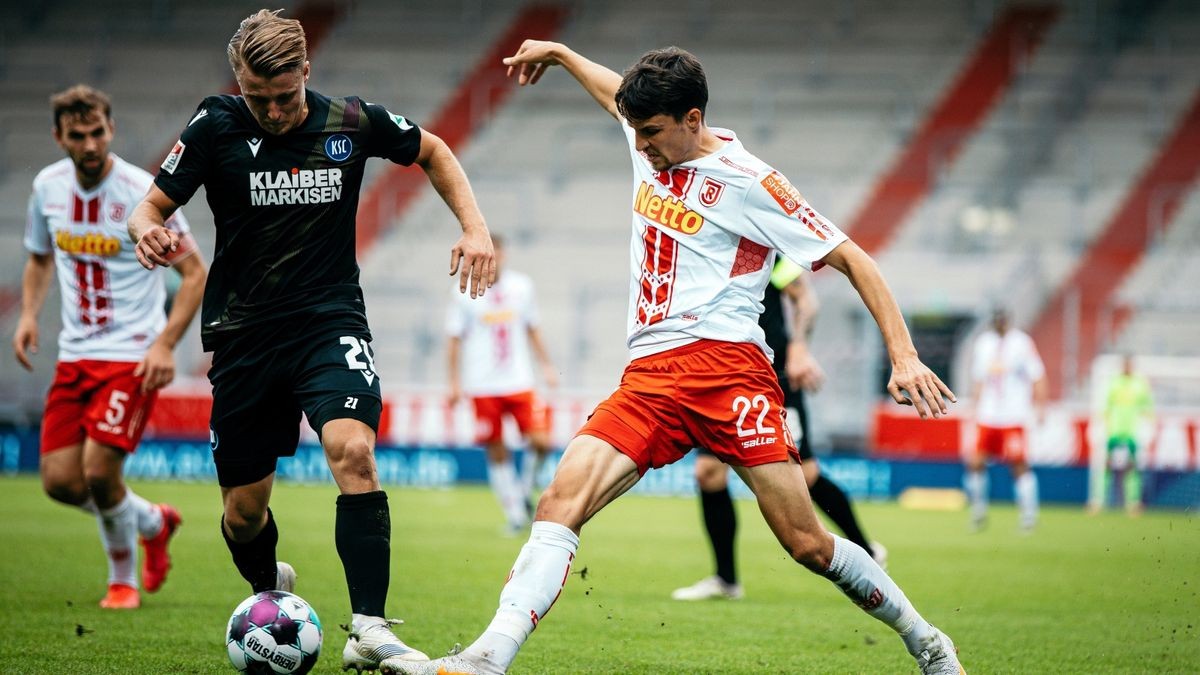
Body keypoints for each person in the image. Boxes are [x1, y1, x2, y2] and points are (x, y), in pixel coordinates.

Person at [389, 42, 965, 675]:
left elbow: (855, 258)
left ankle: (927, 641)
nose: (640, 146)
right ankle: (484, 661)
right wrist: (560, 54)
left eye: (653, 132)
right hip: (650, 376)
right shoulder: (648, 133)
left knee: (808, 544)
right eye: (634, 131)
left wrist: (903, 356)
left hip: (730, 373)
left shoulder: (753, 181)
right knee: (559, 501)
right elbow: (615, 93)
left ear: (693, 119)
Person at [127, 10, 495, 672]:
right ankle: (269, 593)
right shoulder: (215, 124)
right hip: (243, 337)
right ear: (239, 82)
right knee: (242, 514)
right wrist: (144, 228)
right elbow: (150, 204)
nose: (270, 110)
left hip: (329, 322)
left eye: (284, 95)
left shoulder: (348, 124)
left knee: (353, 450)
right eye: (256, 96)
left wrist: (475, 228)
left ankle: (370, 628)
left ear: (307, 71)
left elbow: (434, 150)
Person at [14, 85, 206, 609]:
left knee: (100, 473)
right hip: (75, 354)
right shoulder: (46, 188)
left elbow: (194, 275)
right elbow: (37, 257)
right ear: (60, 138)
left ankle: (122, 580)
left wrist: (166, 345)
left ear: (111, 129)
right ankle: (152, 521)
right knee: (60, 483)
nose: (91, 143)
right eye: (78, 135)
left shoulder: (143, 191)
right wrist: (29, 315)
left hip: (131, 354)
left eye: (98, 132)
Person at [672, 259, 885, 602]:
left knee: (807, 475)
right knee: (708, 473)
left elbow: (806, 300)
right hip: (725, 377)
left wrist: (799, 348)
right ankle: (726, 580)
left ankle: (867, 554)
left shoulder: (764, 252)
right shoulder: (707, 250)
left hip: (773, 378)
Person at [446, 234, 557, 534]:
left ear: (503, 255)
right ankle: (515, 515)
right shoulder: (464, 292)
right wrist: (455, 383)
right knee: (496, 450)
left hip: (519, 380)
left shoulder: (522, 287)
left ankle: (523, 492)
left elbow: (533, 328)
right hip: (482, 385)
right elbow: (454, 339)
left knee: (541, 441)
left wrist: (546, 366)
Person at [963, 307, 1046, 532]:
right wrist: (975, 405)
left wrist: (1040, 406)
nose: (1000, 323)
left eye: (1003, 320)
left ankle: (1028, 515)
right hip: (988, 414)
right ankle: (978, 511)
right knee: (976, 463)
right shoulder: (984, 343)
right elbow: (979, 378)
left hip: (1013, 414)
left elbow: (1038, 375)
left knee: (1018, 465)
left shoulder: (1022, 343)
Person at [1090, 354, 1153, 516]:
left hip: (1132, 432)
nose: (1127, 367)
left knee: (1131, 467)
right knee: (1107, 466)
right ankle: (1098, 501)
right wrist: (1099, 427)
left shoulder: (1140, 384)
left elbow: (1148, 409)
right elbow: (1104, 407)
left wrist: (1149, 429)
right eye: (1124, 364)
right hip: (1113, 431)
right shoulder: (1114, 382)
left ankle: (1133, 503)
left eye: (1129, 364)